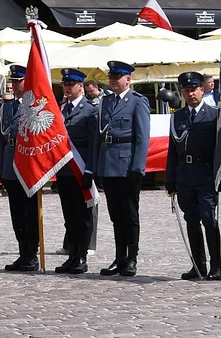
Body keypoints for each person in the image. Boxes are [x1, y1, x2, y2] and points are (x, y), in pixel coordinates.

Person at [90, 61, 151, 277]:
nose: (113, 80)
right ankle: (120, 257)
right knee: (116, 215)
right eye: (111, 77)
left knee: (130, 214)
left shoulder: (137, 102)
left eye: (118, 77)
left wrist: (138, 166)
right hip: (108, 164)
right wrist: (97, 167)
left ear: (128, 79)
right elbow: (99, 135)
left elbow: (143, 137)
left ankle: (132, 258)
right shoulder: (105, 102)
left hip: (127, 165)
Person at [166, 71, 221, 281]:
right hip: (184, 175)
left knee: (209, 219)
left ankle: (216, 266)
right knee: (191, 220)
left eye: (194, 89)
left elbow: (220, 149)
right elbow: (173, 150)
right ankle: (198, 265)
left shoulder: (213, 114)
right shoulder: (178, 116)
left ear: (202, 90)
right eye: (187, 90)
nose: (191, 94)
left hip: (206, 174)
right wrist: (170, 178)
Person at [56, 69, 98, 274]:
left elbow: (93, 143)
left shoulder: (89, 110)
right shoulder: (59, 110)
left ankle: (82, 255)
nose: (67, 87)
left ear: (81, 86)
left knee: (83, 216)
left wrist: (90, 169)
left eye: (71, 84)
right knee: (69, 215)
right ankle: (71, 255)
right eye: (65, 84)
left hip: (81, 170)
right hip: (64, 171)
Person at [0, 66, 38, 272]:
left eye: (18, 81)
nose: (14, 85)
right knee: (17, 214)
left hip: (28, 166)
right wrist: (1, 170)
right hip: (10, 165)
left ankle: (32, 253)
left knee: (30, 213)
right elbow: (3, 139)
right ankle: (22, 252)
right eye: (12, 82)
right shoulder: (7, 107)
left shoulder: (35, 105)